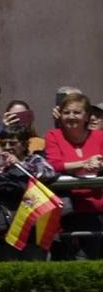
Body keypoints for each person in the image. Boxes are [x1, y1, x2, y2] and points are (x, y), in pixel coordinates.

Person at [43, 91, 103, 259]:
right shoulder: (53, 135)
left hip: (97, 209)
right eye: (66, 112)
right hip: (67, 211)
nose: (71, 116)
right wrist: (85, 163)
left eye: (76, 112)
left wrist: (99, 163)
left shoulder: (100, 137)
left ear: (87, 117)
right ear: (60, 115)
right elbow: (55, 165)